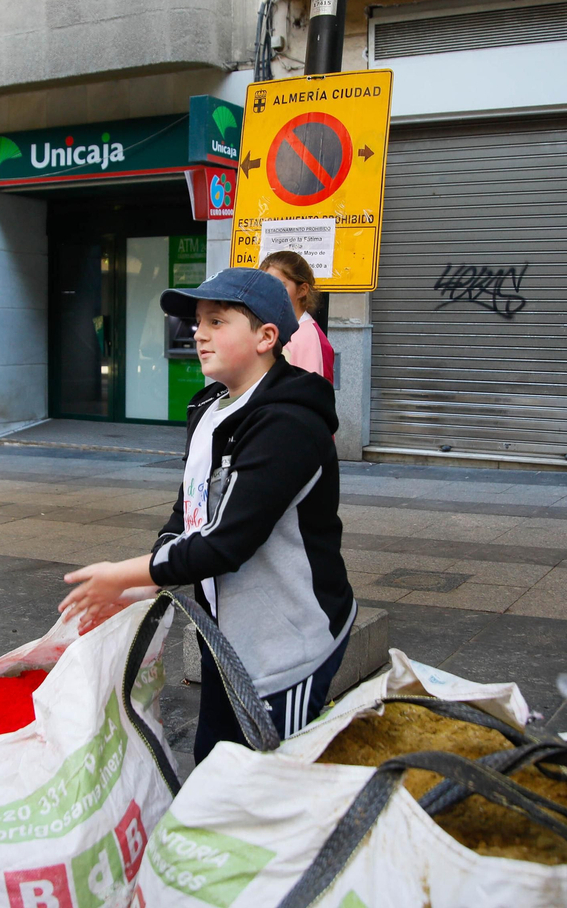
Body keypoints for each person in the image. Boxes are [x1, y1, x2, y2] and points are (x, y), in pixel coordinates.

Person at [60, 268, 354, 760]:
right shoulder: (211, 409)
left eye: (217, 321)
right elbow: (188, 516)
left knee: (268, 784)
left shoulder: (289, 423)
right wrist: (145, 579)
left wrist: (123, 574)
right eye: (198, 322)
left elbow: (225, 542)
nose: (198, 334)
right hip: (225, 639)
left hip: (287, 648)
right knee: (215, 763)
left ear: (266, 337)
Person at [261, 250, 335, 383]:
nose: (270, 292)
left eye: (280, 285)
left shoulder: (308, 337)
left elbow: (308, 393)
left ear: (302, 290)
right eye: (265, 285)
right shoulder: (270, 327)